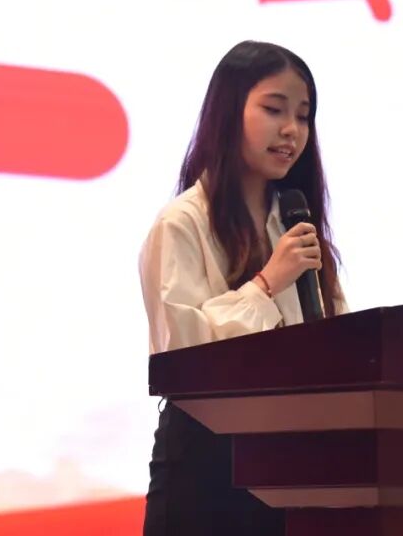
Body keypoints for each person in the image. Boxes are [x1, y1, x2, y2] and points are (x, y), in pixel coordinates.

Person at [139, 40, 347, 536]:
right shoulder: (182, 223)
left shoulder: (297, 222)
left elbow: (337, 341)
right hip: (204, 466)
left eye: (303, 115)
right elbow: (182, 359)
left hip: (290, 463)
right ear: (228, 112)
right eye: (274, 109)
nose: (291, 129)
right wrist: (266, 284)